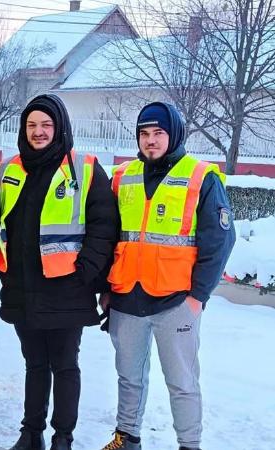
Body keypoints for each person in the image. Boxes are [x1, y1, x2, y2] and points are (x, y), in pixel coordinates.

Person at [100, 102, 235, 450]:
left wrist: (197, 297)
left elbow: (220, 240)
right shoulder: (123, 176)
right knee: (128, 377)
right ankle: (126, 437)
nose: (150, 141)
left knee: (182, 381)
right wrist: (106, 287)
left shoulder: (201, 177)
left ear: (173, 134)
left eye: (158, 133)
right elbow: (108, 234)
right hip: (128, 295)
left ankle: (189, 445)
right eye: (144, 134)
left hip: (176, 300)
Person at [0, 94, 119, 450]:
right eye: (32, 125)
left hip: (67, 288)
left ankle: (63, 436)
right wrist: (1, 270)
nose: (38, 132)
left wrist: (86, 271)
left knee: (64, 365)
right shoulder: (8, 170)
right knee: (34, 364)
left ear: (60, 127)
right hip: (22, 286)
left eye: (46, 125)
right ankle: (31, 432)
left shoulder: (85, 168)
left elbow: (104, 226)